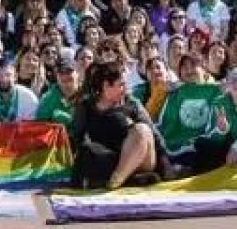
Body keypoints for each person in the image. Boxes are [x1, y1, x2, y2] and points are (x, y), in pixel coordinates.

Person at [69, 61, 165, 189]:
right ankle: (128, 179)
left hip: (139, 158)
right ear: (106, 86)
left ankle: (115, 181)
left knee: (142, 130)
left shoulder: (132, 104)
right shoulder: (86, 107)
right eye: (121, 85)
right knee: (88, 150)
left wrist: (167, 166)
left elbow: (155, 137)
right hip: (109, 159)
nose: (125, 89)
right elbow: (77, 137)